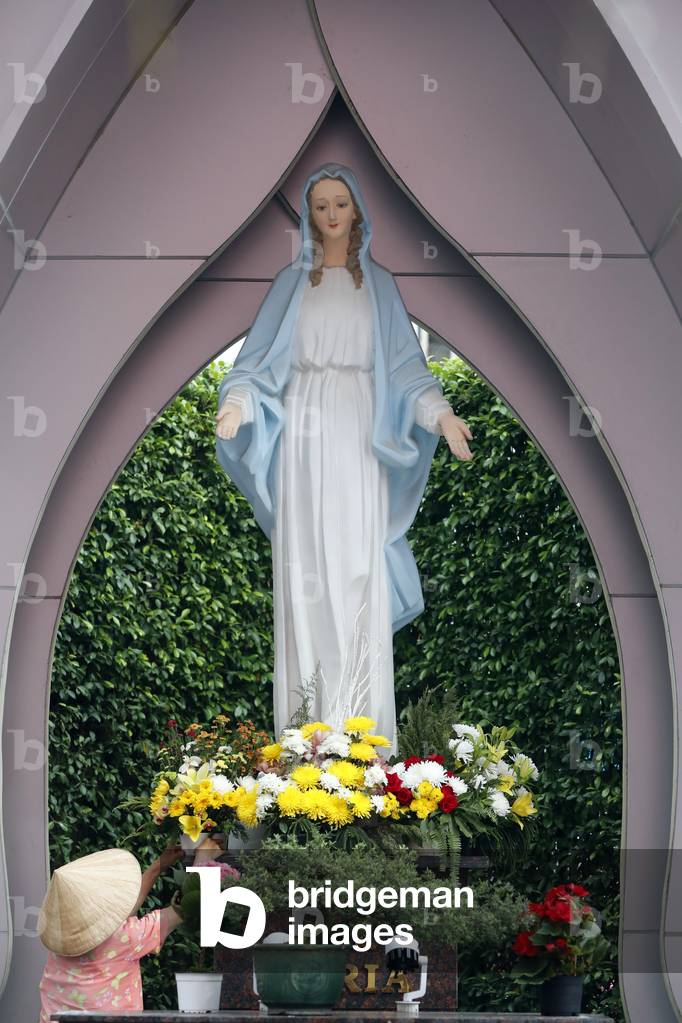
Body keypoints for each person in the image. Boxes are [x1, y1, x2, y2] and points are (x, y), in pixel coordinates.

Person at [215, 163, 473, 750]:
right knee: (305, 579)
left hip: (359, 439)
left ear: (357, 210)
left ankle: (362, 742)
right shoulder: (290, 284)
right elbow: (254, 368)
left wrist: (441, 414)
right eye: (320, 206)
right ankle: (306, 743)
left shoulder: (378, 285)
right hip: (302, 441)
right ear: (310, 215)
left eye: (340, 204)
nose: (331, 216)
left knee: (357, 573)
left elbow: (409, 370)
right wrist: (237, 405)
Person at [37, 838, 216, 1019]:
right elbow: (181, 908)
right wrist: (205, 859)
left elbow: (119, 914)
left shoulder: (63, 942)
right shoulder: (126, 938)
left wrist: (159, 865)